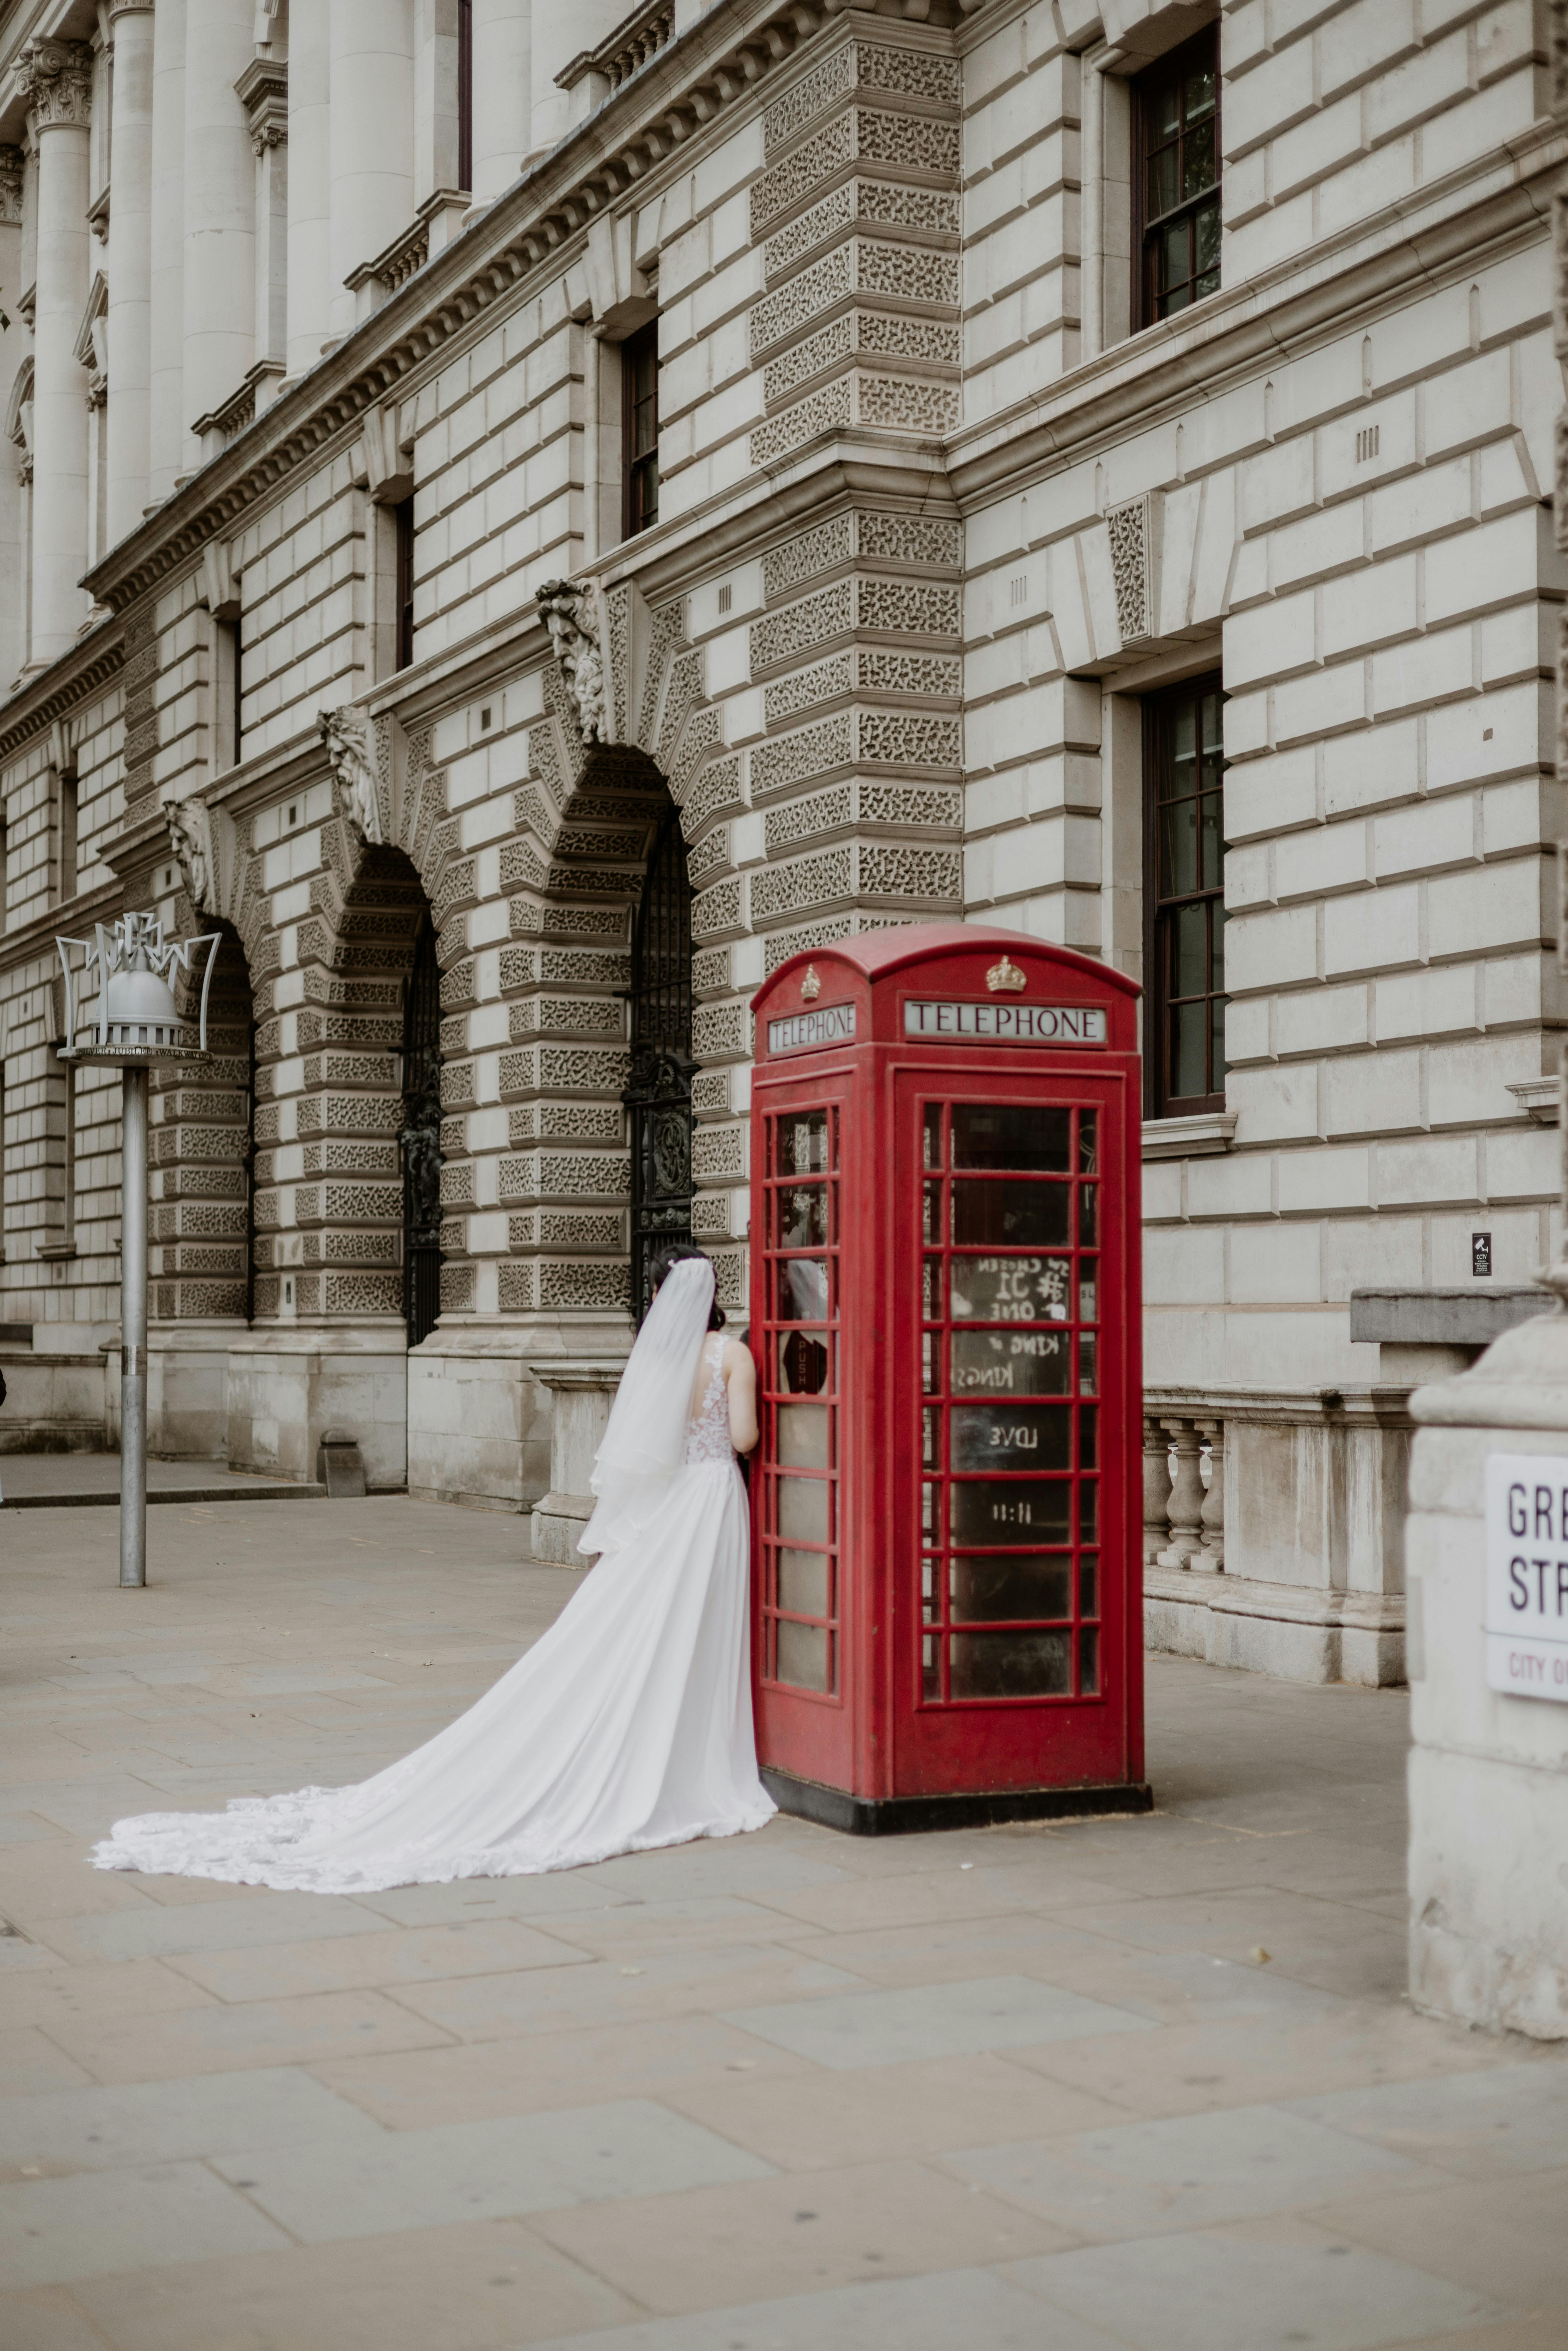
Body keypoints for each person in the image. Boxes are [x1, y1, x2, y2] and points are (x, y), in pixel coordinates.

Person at [91, 1249, 774, 1891]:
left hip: (672, 1507)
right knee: (698, 1624)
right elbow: (743, 1438)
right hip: (713, 1500)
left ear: (658, 1297)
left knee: (646, 1624)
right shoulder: (731, 1356)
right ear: (713, 1297)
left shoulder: (654, 1360)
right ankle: (690, 1752)